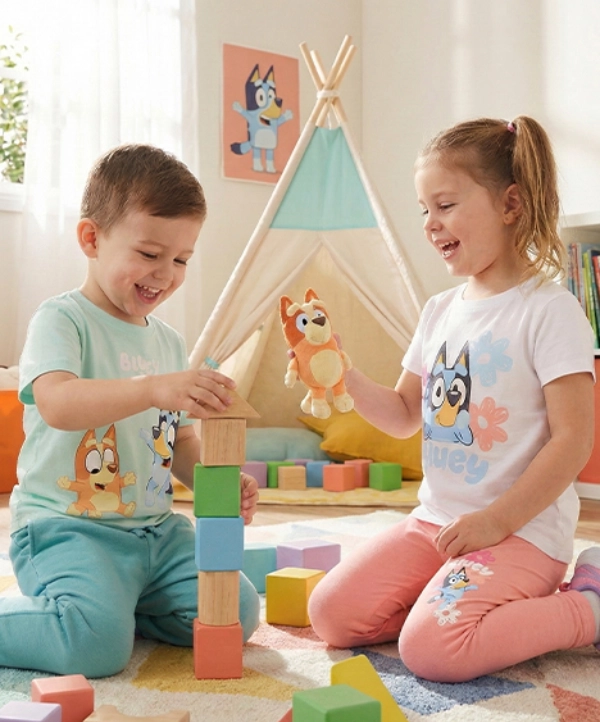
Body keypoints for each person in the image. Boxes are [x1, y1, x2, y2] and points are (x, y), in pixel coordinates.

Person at [308, 116, 600, 683]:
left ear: (510, 205)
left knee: (434, 650)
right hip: (438, 524)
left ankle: (586, 608)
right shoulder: (439, 310)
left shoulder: (550, 310)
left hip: (520, 534)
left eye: (443, 205)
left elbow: (574, 441)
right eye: (423, 209)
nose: (429, 223)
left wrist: (496, 521)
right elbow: (400, 416)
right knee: (331, 615)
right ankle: (447, 597)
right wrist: (342, 375)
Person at [2, 144, 260, 678]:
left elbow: (181, 442)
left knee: (233, 610)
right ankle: (100, 613)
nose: (165, 274)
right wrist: (150, 389)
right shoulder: (61, 320)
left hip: (156, 533)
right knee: (93, 649)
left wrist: (217, 482)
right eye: (149, 254)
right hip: (68, 528)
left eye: (182, 259)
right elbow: (57, 403)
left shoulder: (167, 341)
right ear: (92, 239)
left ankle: (118, 605)